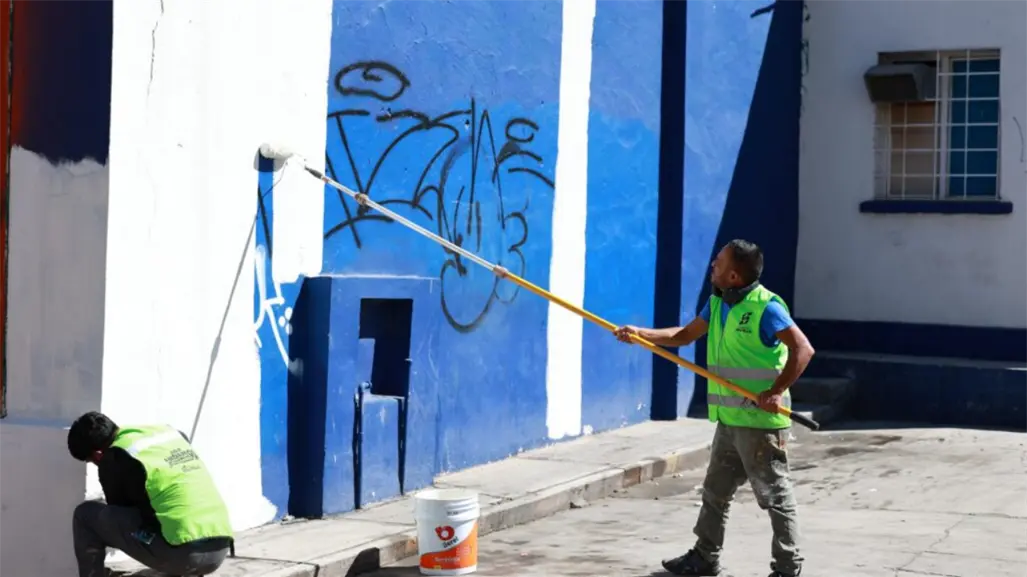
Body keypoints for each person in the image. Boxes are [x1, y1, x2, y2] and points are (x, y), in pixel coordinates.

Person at [615, 239, 814, 577]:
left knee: (775, 497)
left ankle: (787, 568)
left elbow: (803, 349)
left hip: (761, 425)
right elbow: (683, 335)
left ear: (734, 275)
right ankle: (705, 558)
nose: (712, 265)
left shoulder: (766, 307)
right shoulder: (718, 302)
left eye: (718, 263)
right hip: (729, 419)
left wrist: (776, 391)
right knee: (715, 492)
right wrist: (641, 334)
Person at [67, 411, 235, 577]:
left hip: (185, 554)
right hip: (220, 547)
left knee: (85, 515)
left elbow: (119, 514)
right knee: (164, 519)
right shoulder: (166, 433)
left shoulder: (114, 456)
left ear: (97, 454)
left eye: (90, 460)